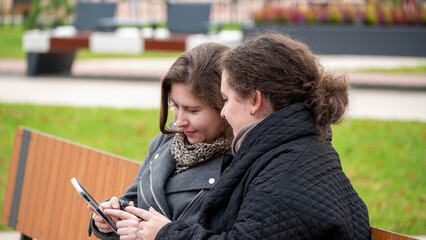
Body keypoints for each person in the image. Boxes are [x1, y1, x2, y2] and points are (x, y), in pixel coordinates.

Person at [111, 32, 371, 239]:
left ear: (254, 101)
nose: (223, 112)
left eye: (225, 100)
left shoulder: (281, 172)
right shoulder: (293, 149)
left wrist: (166, 234)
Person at [88, 42, 234, 240]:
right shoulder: (164, 143)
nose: (180, 121)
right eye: (175, 105)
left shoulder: (236, 161)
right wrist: (111, 217)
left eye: (193, 110)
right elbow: (133, 202)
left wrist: (151, 233)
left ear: (224, 105)